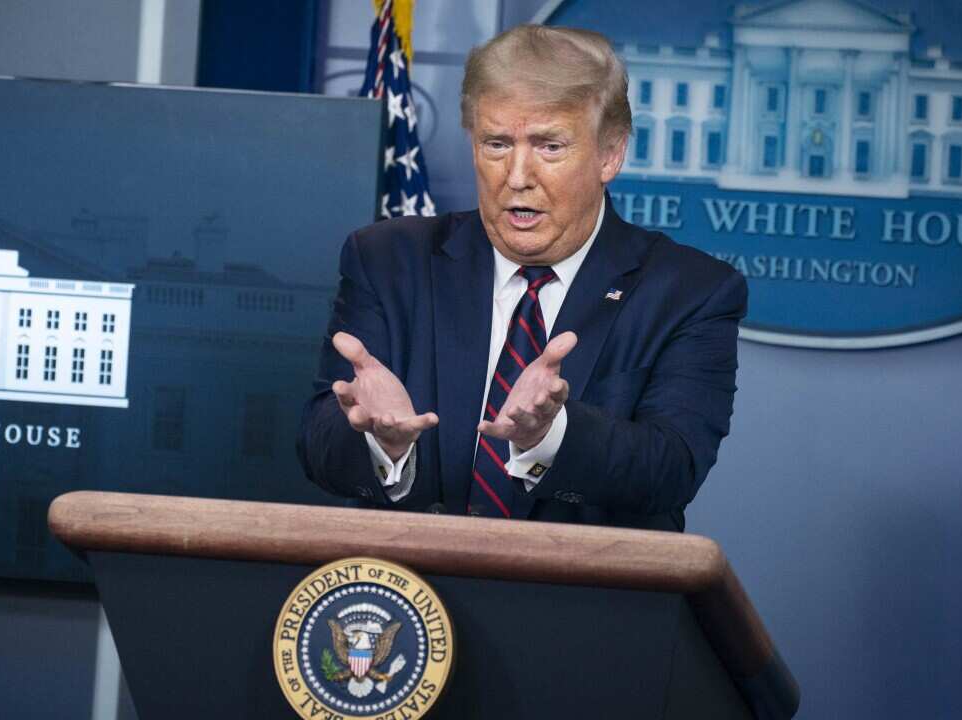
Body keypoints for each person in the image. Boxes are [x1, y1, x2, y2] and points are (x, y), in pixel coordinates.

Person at [296, 25, 747, 532]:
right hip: (413, 595)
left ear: (610, 154)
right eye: (496, 143)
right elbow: (318, 446)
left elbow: (670, 470)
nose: (516, 176)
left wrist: (549, 438)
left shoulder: (689, 291)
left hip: (585, 602)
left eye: (549, 146)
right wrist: (385, 445)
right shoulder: (388, 260)